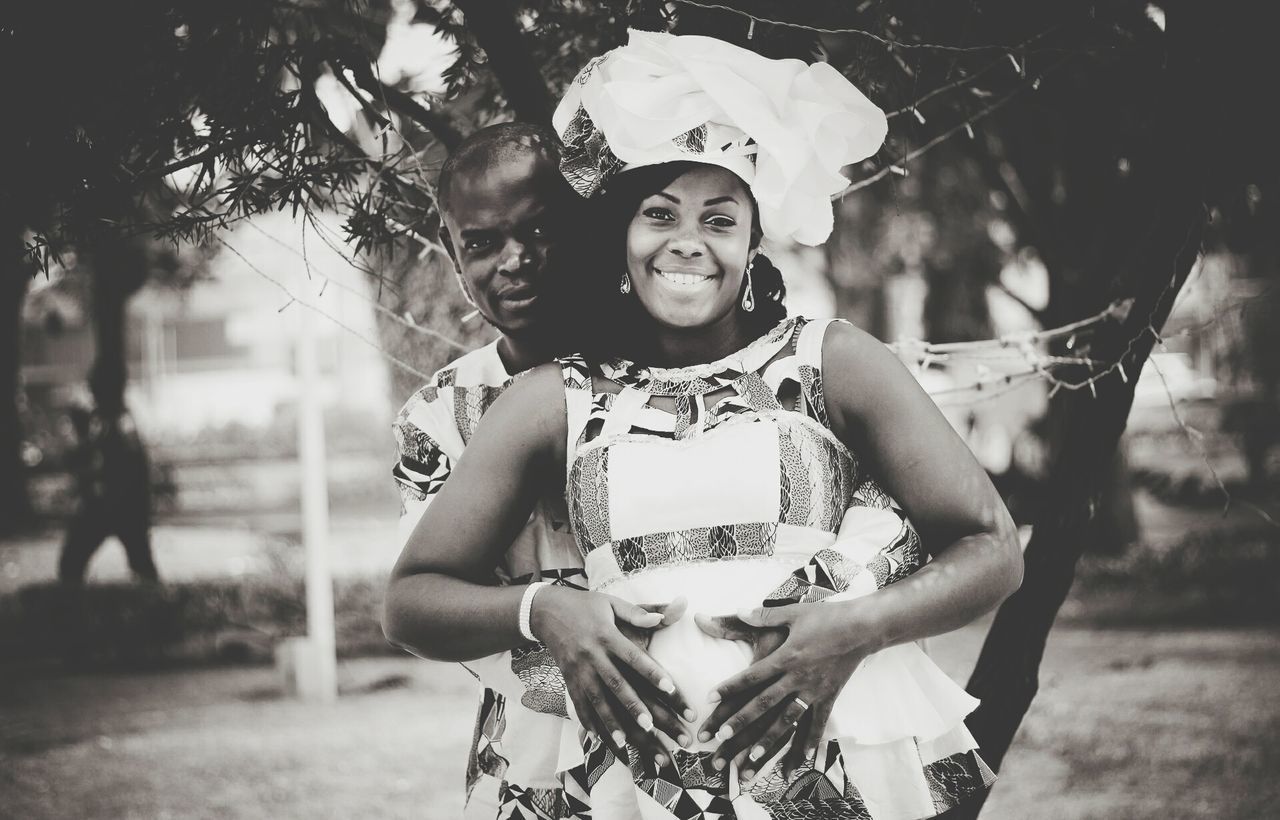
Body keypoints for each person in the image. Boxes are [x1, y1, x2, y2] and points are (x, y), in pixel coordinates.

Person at [386, 30, 1023, 819]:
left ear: (755, 241)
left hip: (826, 771)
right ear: (622, 238)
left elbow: (992, 546)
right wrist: (542, 610)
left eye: (720, 219)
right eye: (660, 214)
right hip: (634, 783)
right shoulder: (553, 397)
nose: (688, 241)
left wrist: (857, 628)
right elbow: (411, 597)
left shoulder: (835, 360)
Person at [391, 121, 678, 818]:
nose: (514, 260)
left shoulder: (677, 371)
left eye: (541, 231)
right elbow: (423, 607)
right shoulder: (439, 415)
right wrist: (542, 611)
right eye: (482, 244)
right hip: (530, 766)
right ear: (457, 262)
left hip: (689, 735)